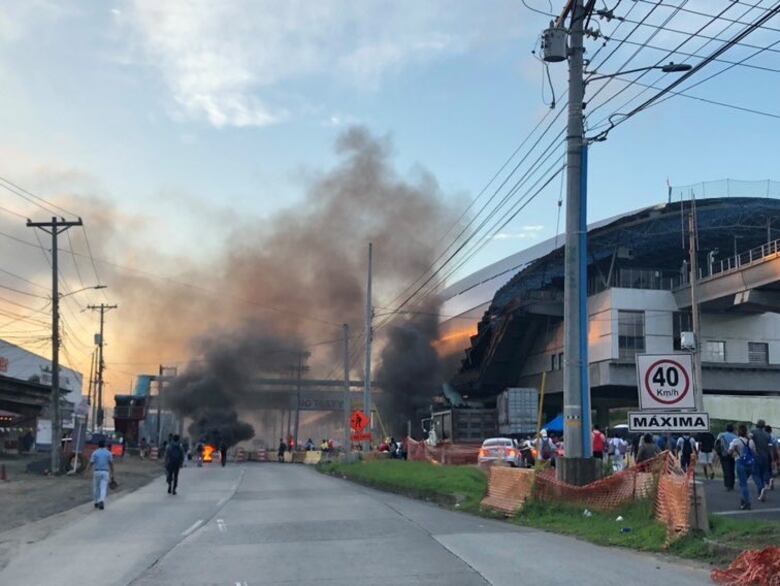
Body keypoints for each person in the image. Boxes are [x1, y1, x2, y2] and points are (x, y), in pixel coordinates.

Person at [729, 424, 766, 510]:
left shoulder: (736, 441)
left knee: (743, 484)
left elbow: (729, 451)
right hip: (750, 464)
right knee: (744, 482)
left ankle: (747, 502)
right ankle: (743, 501)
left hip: (740, 462)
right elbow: (754, 452)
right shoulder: (751, 441)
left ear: (738, 432)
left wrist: (734, 453)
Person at [87, 439, 114, 510]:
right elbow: (111, 464)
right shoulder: (108, 453)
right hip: (105, 472)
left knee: (96, 487)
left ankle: (96, 501)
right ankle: (101, 500)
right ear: (104, 445)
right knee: (103, 487)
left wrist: (87, 470)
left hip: (97, 471)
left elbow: (91, 462)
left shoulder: (95, 453)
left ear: (98, 445)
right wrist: (112, 473)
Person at [751, 419, 773, 491]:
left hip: (756, 456)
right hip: (765, 457)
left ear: (757, 425)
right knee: (763, 473)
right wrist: (771, 458)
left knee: (755, 473)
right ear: (764, 426)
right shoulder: (768, 435)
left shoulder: (753, 432)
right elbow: (770, 447)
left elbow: (749, 442)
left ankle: (760, 487)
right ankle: (762, 489)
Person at [716, 424, 737, 492]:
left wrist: (718, 453)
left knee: (726, 469)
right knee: (732, 469)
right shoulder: (735, 437)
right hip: (732, 454)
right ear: (733, 429)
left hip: (724, 454)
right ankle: (732, 484)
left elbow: (717, 444)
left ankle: (727, 485)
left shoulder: (721, 435)